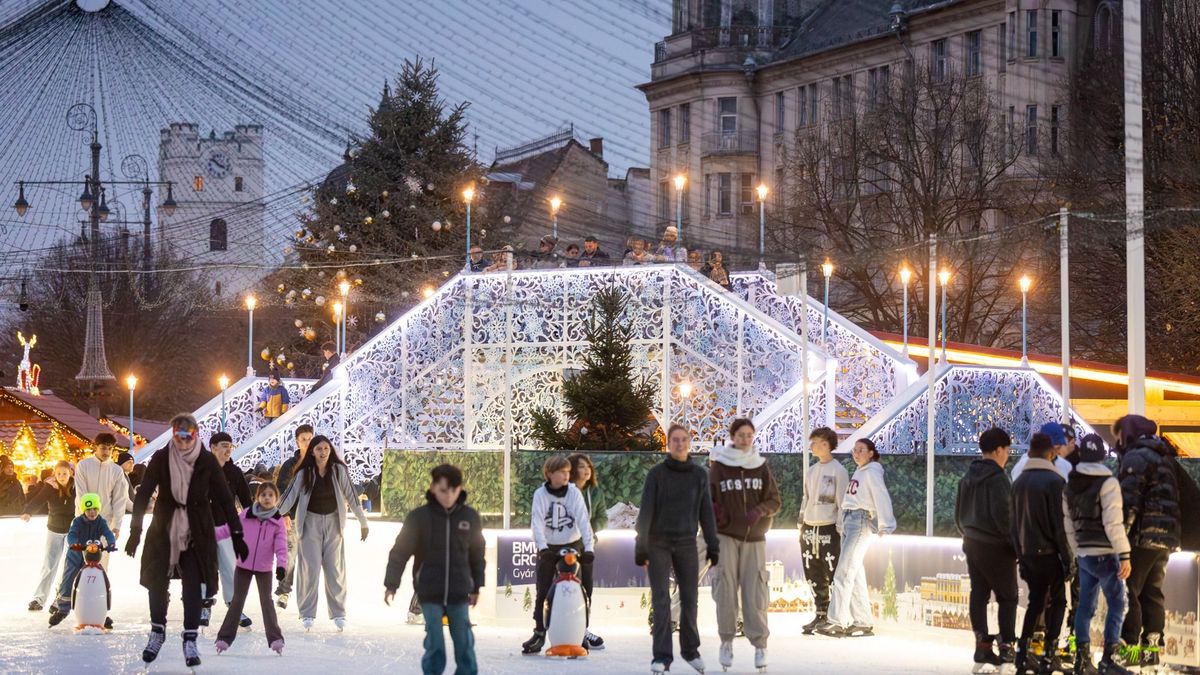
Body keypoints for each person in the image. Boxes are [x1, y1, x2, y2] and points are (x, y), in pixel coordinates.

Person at [126, 413, 247, 668]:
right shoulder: (161, 457)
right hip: (163, 528)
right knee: (157, 581)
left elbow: (225, 500)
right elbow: (144, 493)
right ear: (173, 434)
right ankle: (157, 631)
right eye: (178, 436)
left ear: (195, 434)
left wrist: (237, 534)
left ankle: (189, 637)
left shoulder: (206, 460)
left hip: (197, 531)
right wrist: (135, 531)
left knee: (194, 584)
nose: (182, 441)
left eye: (188, 436)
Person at [384, 464, 485, 675]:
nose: (448, 496)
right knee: (435, 643)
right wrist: (391, 584)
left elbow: (477, 555)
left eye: (453, 490)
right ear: (432, 488)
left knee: (464, 643)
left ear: (460, 489)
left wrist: (477, 586)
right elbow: (400, 552)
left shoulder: (469, 517)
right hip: (429, 591)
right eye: (442, 490)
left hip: (459, 592)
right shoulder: (419, 517)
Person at [637, 424, 719, 674]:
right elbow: (646, 511)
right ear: (668, 444)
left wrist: (713, 545)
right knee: (661, 599)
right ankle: (662, 656)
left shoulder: (699, 475)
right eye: (675, 440)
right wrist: (641, 546)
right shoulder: (657, 474)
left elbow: (706, 512)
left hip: (686, 542)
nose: (680, 444)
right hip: (658, 542)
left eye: (684, 439)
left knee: (689, 597)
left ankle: (690, 650)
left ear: (689, 442)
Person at [277, 434, 370, 631]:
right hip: (310, 522)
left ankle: (338, 613)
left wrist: (363, 522)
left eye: (326, 448)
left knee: (335, 570)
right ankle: (307, 613)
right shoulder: (304, 473)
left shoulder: (338, 470)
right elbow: (289, 496)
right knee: (309, 569)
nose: (323, 452)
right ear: (312, 451)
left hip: (334, 523)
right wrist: (272, 516)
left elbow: (352, 496)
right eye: (319, 449)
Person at [709, 418, 781, 671]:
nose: (745, 439)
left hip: (754, 538)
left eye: (749, 435)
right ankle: (726, 641)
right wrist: (717, 511)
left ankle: (760, 645)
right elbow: (708, 498)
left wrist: (760, 511)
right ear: (732, 436)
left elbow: (774, 500)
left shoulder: (760, 466)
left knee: (755, 591)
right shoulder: (719, 467)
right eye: (741, 435)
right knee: (725, 588)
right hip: (726, 536)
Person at [1113, 414, 1180, 669]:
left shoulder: (1136, 456)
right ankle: (1151, 649)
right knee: (1152, 591)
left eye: (1119, 437)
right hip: (1166, 537)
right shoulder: (1164, 454)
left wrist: (1121, 541)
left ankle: (1129, 649)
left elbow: (1129, 501)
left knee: (1129, 588)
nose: (1117, 443)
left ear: (1128, 433)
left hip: (1142, 535)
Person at [1063, 433, 1132, 675]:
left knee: (1085, 607)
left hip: (1084, 555)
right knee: (1118, 604)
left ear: (1081, 454)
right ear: (1103, 455)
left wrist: (1077, 551)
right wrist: (1124, 554)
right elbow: (1113, 523)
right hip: (1106, 553)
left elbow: (1068, 523)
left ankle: (1082, 660)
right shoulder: (1108, 483)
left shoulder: (1070, 484)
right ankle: (1108, 661)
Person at [818, 438, 896, 639]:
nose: (856, 453)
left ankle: (837, 621)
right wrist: (842, 522)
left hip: (860, 521)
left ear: (871, 453)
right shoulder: (861, 471)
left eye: (861, 450)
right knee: (854, 572)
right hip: (851, 521)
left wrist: (886, 524)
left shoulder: (872, 472)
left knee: (844, 572)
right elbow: (852, 499)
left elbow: (880, 495)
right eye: (855, 450)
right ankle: (862, 621)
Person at [954, 427, 1018, 671]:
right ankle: (1006, 650)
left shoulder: (967, 476)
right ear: (998, 450)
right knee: (1008, 596)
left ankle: (981, 649)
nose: (1007, 455)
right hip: (996, 546)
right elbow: (1006, 517)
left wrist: (968, 534)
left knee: (978, 594)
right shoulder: (999, 479)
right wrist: (1014, 546)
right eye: (1007, 450)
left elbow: (958, 514)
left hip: (972, 543)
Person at [1010, 431, 1072, 674]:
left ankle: (1022, 653)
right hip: (1049, 554)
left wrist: (1020, 554)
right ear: (1051, 453)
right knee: (1058, 601)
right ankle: (1049, 654)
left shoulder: (1019, 482)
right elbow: (1060, 526)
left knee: (1035, 601)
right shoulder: (1055, 482)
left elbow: (1012, 524)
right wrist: (1067, 559)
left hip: (1027, 553)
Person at [521, 455, 595, 655]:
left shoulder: (574, 493)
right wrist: (543, 548)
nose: (566, 475)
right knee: (543, 589)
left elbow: (583, 520)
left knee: (582, 588)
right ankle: (539, 632)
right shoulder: (540, 494)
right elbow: (537, 522)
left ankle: (580, 633)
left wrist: (589, 549)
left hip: (573, 543)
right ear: (550, 473)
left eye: (568, 472)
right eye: (562, 472)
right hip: (550, 547)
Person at [214, 481, 288, 655]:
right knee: (237, 601)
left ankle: (276, 639)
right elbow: (229, 529)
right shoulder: (247, 514)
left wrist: (282, 565)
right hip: (244, 565)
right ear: (258, 497)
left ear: (276, 498)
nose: (267, 498)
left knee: (266, 601)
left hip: (264, 568)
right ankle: (224, 639)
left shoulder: (277, 521)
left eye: (271, 495)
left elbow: (281, 546)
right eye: (263, 495)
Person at [799, 427, 849, 635]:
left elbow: (842, 501)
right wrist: (801, 524)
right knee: (812, 571)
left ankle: (834, 616)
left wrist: (839, 526)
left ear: (826, 445)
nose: (811, 446)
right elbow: (806, 498)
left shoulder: (839, 470)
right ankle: (820, 612)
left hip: (829, 527)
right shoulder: (811, 470)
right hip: (810, 527)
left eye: (815, 442)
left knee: (832, 570)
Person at [204, 431, 254, 628]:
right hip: (203, 527)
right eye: (223, 445)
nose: (227, 449)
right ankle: (204, 604)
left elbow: (246, 501)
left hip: (226, 527)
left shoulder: (235, 473)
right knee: (205, 567)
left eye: (230, 446)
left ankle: (234, 606)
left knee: (230, 568)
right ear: (213, 447)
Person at [49, 492, 117, 627]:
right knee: (68, 581)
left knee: (98, 583)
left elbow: (108, 533)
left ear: (98, 509)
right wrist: (74, 543)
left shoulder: (101, 522)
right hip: (75, 557)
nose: (91, 512)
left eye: (94, 509)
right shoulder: (77, 521)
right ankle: (63, 609)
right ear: (83, 510)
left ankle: (100, 613)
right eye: (88, 510)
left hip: (92, 558)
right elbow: (72, 534)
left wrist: (111, 543)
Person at [21, 460, 75, 612]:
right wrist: (28, 511)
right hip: (54, 529)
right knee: (49, 565)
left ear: (70, 473)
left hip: (72, 531)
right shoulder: (50, 487)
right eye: (59, 474)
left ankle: (59, 600)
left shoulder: (77, 486)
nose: (62, 476)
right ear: (54, 474)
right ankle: (39, 598)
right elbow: (38, 499)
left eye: (64, 473)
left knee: (67, 567)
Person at [73, 433, 129, 570]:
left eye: (110, 449)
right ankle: (78, 590)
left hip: (105, 521)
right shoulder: (83, 466)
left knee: (102, 561)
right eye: (103, 448)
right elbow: (81, 494)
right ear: (96, 447)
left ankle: (101, 590)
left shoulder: (116, 471)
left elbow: (120, 500)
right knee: (82, 559)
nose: (107, 452)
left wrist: (117, 525)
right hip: (83, 521)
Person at [568, 453, 605, 650]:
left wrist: (589, 528)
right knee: (572, 586)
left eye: (588, 466)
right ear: (573, 470)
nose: (587, 470)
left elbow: (602, 517)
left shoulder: (595, 492)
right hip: (569, 545)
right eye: (582, 466)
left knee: (587, 588)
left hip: (588, 545)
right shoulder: (568, 491)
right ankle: (568, 629)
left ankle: (583, 629)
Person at [274, 423, 314, 608]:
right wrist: (285, 513)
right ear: (297, 443)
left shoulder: (320, 462)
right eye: (303, 440)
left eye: (309, 439)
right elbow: (282, 489)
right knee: (290, 554)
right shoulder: (290, 465)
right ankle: (283, 591)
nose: (307, 443)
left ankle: (307, 596)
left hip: (314, 517)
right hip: (294, 516)